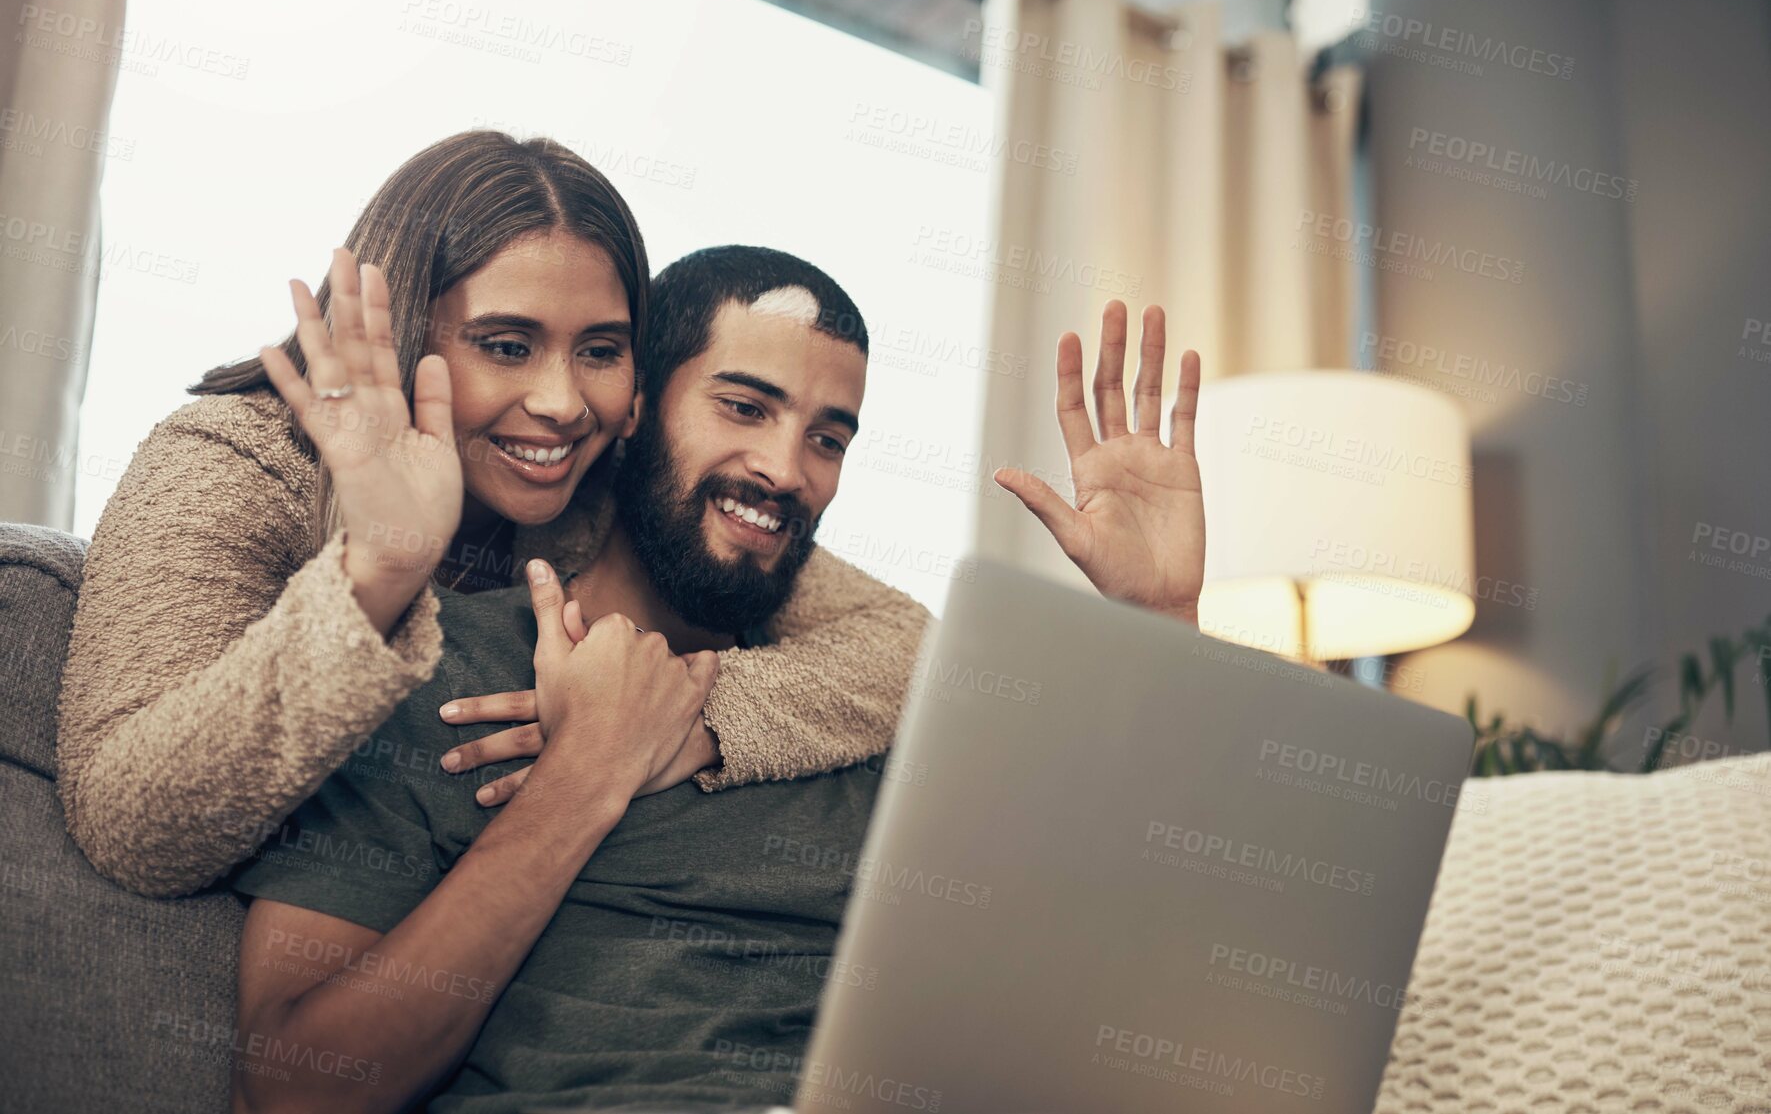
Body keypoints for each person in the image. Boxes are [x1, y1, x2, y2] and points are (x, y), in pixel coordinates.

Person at [226, 244, 1207, 1113]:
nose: (786, 468)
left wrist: (1161, 626)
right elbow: (295, 1088)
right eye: (744, 407)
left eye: (828, 437)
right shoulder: (440, 667)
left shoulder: (865, 720)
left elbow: (1127, 973)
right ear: (636, 410)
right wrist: (586, 775)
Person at [52, 132, 927, 899]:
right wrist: (378, 574)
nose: (561, 403)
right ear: (403, 335)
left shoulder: (608, 477)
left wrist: (672, 716)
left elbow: (909, 643)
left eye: (600, 352)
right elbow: (135, 831)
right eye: (507, 347)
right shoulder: (235, 461)